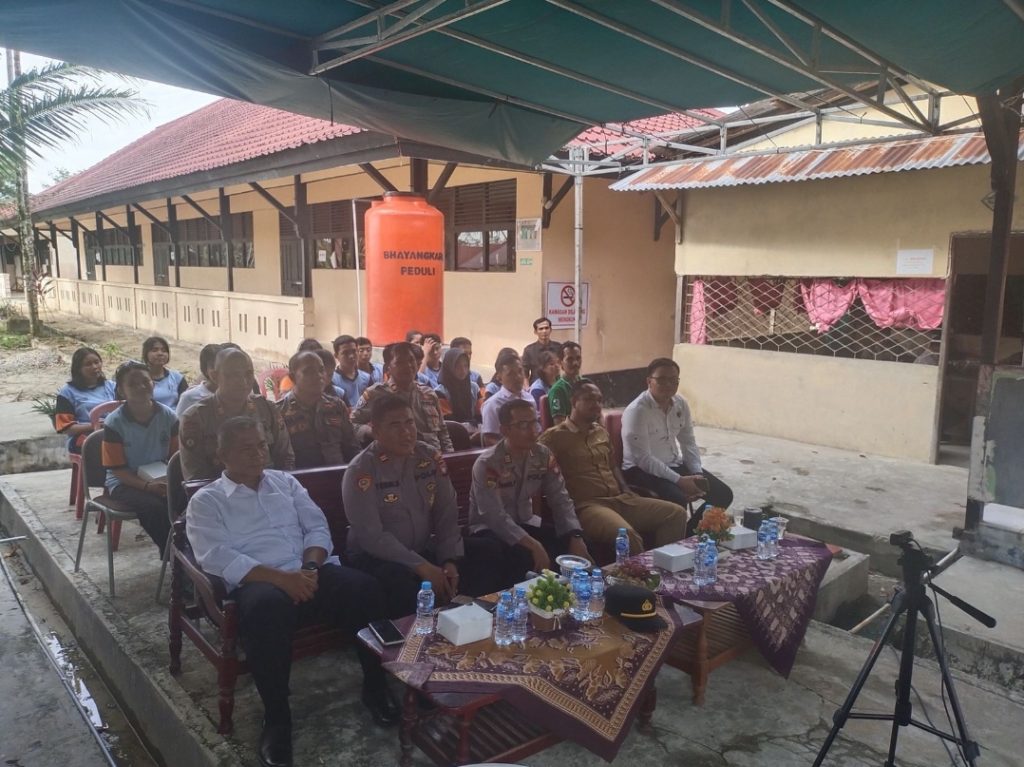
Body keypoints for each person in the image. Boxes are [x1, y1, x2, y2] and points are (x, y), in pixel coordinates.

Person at [186, 417, 399, 767]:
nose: (258, 454)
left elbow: (316, 527)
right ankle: (277, 717)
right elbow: (216, 555)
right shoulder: (207, 501)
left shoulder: (285, 482)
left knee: (365, 589)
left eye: (261, 445)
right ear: (222, 455)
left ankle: (375, 686)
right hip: (259, 583)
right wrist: (283, 580)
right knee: (266, 610)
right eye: (246, 448)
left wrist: (310, 569)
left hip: (308, 571)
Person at [342, 395, 504, 617]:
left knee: (488, 551)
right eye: (395, 425)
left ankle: (473, 621)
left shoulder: (428, 457)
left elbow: (446, 513)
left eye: (409, 422)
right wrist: (422, 566)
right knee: (402, 583)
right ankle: (415, 637)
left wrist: (449, 559)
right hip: (376, 555)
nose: (406, 432)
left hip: (423, 547)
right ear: (376, 431)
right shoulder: (362, 470)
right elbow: (372, 536)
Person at [538, 380, 686, 556]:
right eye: (589, 399)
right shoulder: (553, 437)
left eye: (599, 400)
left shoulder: (601, 432)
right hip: (588, 507)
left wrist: (625, 488)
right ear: (574, 401)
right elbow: (540, 475)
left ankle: (665, 567)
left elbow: (612, 465)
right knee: (627, 536)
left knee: (675, 514)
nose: (597, 405)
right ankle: (640, 573)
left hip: (620, 499)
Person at [469, 399, 592, 582]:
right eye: (523, 425)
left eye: (535, 422)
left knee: (575, 545)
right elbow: (493, 515)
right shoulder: (489, 463)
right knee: (523, 556)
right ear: (504, 430)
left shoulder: (543, 455)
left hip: (526, 521)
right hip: (490, 529)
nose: (534, 430)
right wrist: (533, 544)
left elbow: (560, 498)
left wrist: (574, 534)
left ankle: (572, 594)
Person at [622, 357, 733, 537]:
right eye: (661, 379)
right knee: (677, 499)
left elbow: (688, 441)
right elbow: (643, 459)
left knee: (722, 494)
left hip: (673, 464)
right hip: (641, 470)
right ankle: (675, 542)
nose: (668, 385)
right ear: (649, 381)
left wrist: (697, 474)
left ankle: (690, 535)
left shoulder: (680, 403)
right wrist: (680, 481)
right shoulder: (637, 411)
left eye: (673, 380)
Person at [179, 347, 294, 480]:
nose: (243, 381)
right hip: (219, 491)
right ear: (215, 376)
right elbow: (196, 477)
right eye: (233, 375)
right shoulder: (196, 418)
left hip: (269, 486)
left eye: (248, 374)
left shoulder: (267, 410)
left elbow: (286, 460)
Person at [100, 361, 177, 552]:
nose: (141, 387)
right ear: (121, 390)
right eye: (133, 384)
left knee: (189, 500)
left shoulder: (169, 416)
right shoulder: (114, 423)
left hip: (160, 478)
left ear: (153, 383)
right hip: (124, 483)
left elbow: (176, 458)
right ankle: (172, 555)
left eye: (145, 381)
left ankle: (188, 553)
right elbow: (118, 471)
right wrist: (147, 486)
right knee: (155, 508)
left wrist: (169, 481)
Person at [351, 342, 453, 453]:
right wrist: (373, 432)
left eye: (411, 360)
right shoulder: (376, 394)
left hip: (432, 456)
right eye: (400, 362)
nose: (408, 366)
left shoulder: (428, 394)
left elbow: (442, 431)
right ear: (388, 368)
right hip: (396, 458)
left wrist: (450, 456)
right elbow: (352, 424)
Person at [277, 351, 359, 468]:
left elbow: (352, 447)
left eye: (321, 370)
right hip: (299, 477)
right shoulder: (279, 413)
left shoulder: (337, 406)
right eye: (309, 371)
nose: (319, 376)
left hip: (338, 474)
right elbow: (280, 459)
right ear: (293, 377)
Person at [54, 346, 118, 452]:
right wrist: (95, 426)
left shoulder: (112, 386)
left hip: (113, 432)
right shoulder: (67, 393)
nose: (94, 367)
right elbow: (66, 428)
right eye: (88, 364)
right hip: (83, 438)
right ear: (78, 369)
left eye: (97, 362)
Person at [479, 356, 537, 447]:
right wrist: (514, 448)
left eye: (520, 371)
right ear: (499, 378)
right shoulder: (493, 405)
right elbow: (489, 439)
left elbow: (536, 428)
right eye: (511, 374)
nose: (518, 377)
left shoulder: (529, 398)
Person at [434, 348, 481, 428]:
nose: (463, 370)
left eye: (466, 366)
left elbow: (480, 415)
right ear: (449, 367)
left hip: (476, 431)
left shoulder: (474, 388)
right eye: (458, 367)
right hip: (453, 433)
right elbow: (448, 421)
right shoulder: (440, 392)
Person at [141, 336, 188, 410]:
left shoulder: (177, 378)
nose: (160, 353)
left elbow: (186, 403)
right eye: (154, 350)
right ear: (146, 354)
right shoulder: (138, 379)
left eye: (164, 350)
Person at [176, 343, 222, 418]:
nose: (217, 370)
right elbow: (179, 422)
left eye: (220, 365)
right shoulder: (189, 397)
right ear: (205, 369)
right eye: (212, 366)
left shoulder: (233, 393)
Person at [546, 341, 584, 425]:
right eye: (570, 359)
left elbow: (599, 415)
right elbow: (560, 425)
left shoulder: (586, 384)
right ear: (560, 362)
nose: (575, 363)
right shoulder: (558, 390)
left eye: (578, 358)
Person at [331, 335, 372, 405]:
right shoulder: (332, 380)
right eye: (345, 353)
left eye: (354, 351)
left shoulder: (366, 378)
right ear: (336, 356)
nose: (351, 356)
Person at [521, 317, 562, 382]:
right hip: (536, 385)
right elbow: (525, 374)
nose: (544, 331)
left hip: (556, 384)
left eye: (546, 328)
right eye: (541, 329)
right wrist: (527, 387)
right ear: (535, 332)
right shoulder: (529, 350)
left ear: (550, 330)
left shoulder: (558, 347)